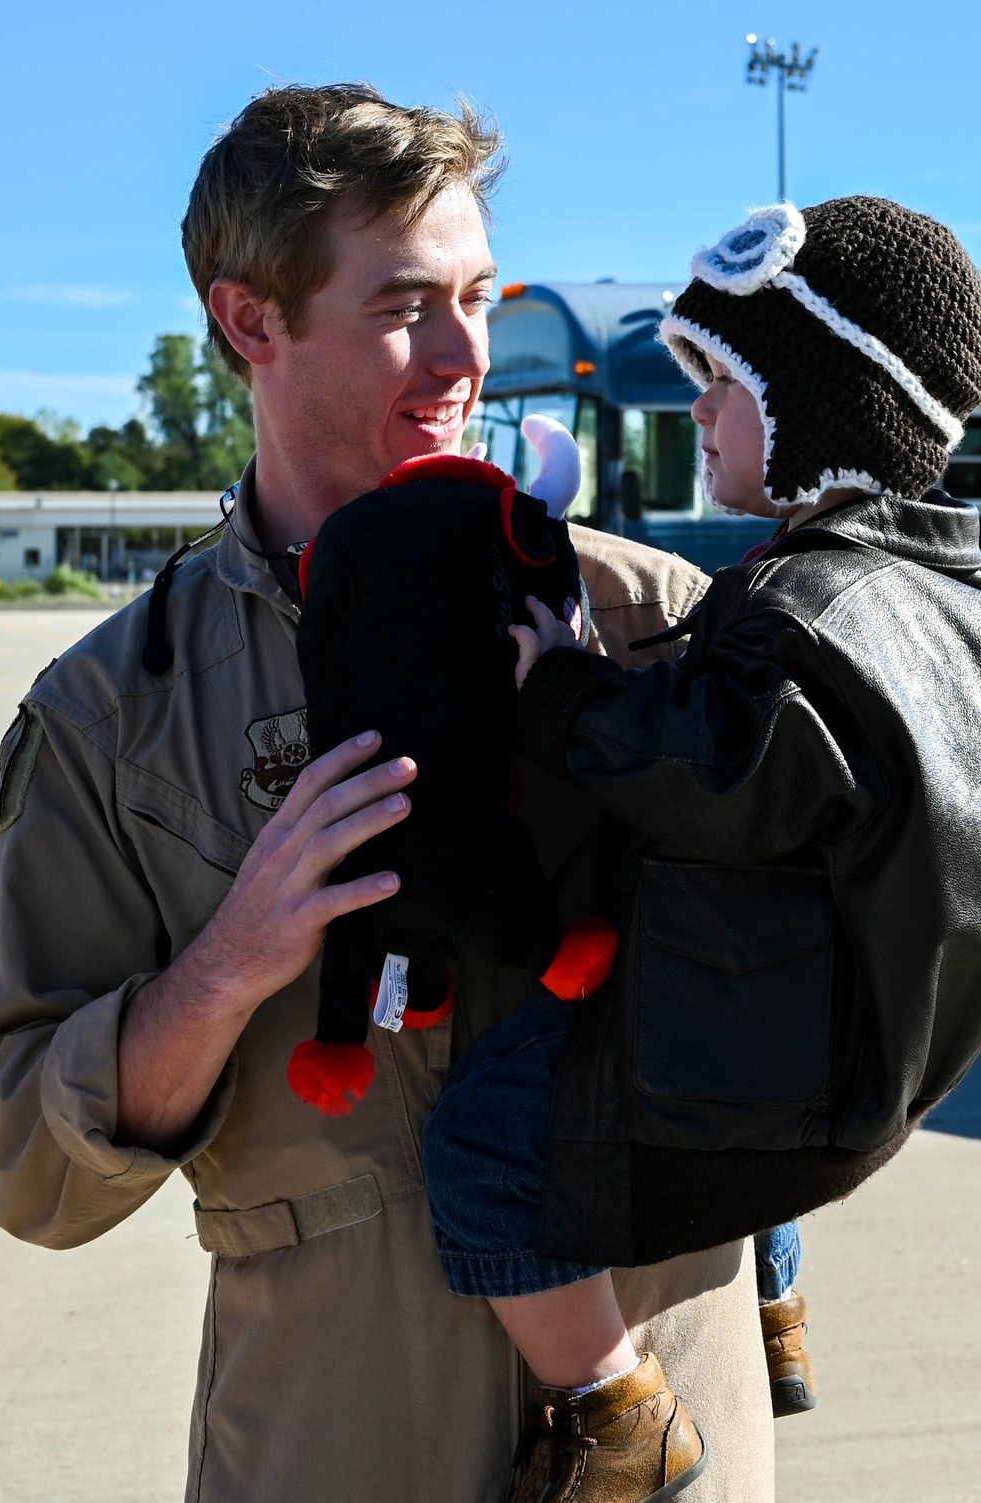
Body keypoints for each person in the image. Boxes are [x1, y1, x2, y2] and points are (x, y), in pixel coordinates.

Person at [0, 85, 774, 1503]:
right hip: (335, 1443)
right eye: (407, 305)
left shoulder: (659, 621)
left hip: (674, 1432)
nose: (467, 355)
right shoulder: (120, 710)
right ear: (249, 323)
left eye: (480, 295)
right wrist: (226, 970)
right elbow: (21, 1160)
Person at [422, 195, 981, 1503]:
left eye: (721, 387)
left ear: (820, 409)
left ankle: (616, 1415)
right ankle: (776, 1304)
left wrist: (561, 687)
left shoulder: (810, 610)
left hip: (777, 1075)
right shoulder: (944, 584)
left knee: (485, 1151)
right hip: (874, 1048)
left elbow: (703, 772)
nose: (694, 416)